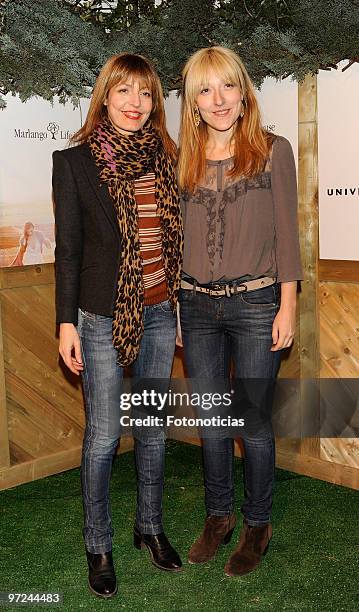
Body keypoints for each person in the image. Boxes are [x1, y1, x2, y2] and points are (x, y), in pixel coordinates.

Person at [52, 53, 183, 599]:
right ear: (105, 97)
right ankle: (98, 544)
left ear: (155, 102)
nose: (134, 104)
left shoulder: (165, 158)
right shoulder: (75, 162)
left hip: (157, 312)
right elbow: (70, 252)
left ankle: (149, 528)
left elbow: (173, 247)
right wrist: (65, 323)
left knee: (152, 428)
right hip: (101, 317)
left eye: (145, 94)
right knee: (105, 436)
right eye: (124, 92)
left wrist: (173, 307)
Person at [177, 46, 302, 577]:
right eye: (205, 90)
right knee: (210, 422)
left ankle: (257, 525)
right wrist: (180, 308)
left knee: (251, 423)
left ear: (243, 89)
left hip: (257, 304)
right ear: (193, 102)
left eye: (227, 86)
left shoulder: (273, 150)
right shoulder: (180, 155)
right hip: (196, 306)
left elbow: (288, 238)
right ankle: (219, 516)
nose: (218, 99)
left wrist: (288, 305)